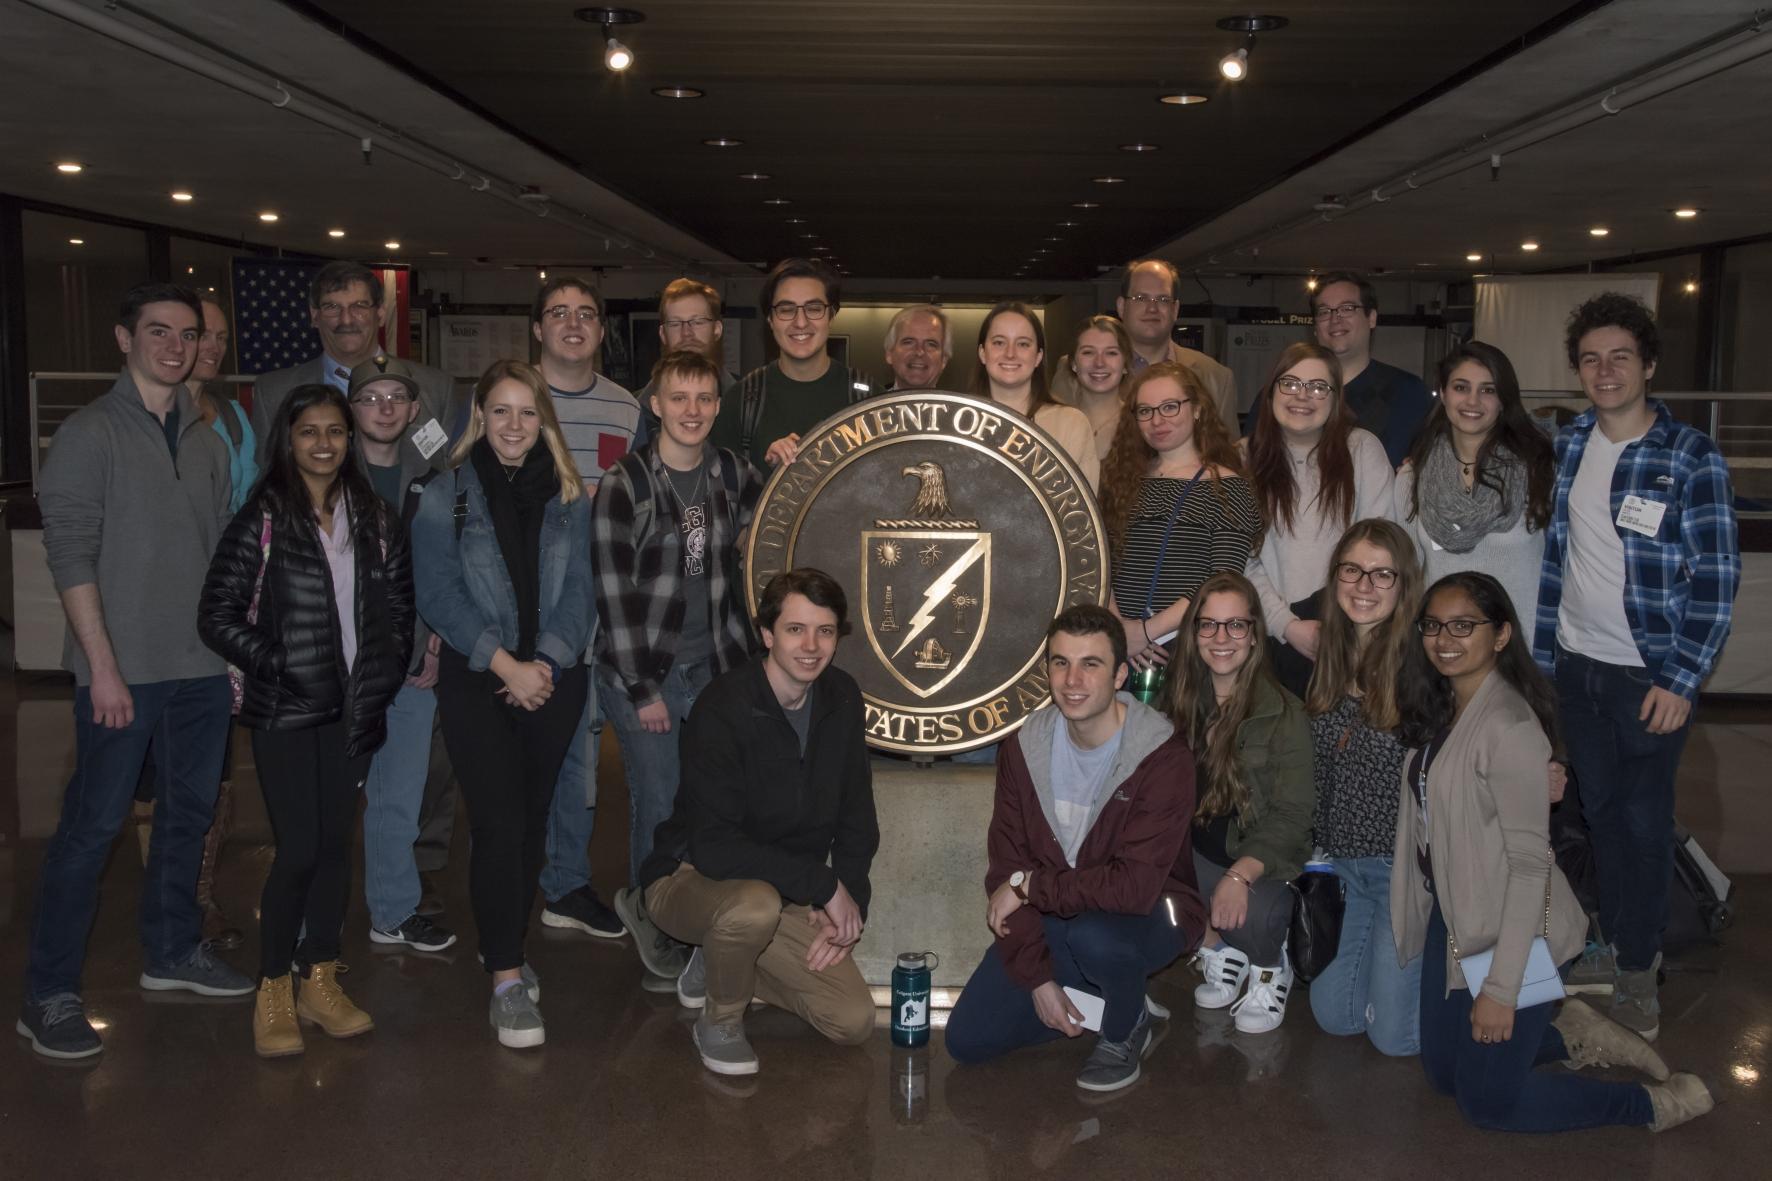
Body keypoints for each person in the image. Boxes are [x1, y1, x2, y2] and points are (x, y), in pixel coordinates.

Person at [20, 282, 249, 1060]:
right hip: (120, 675)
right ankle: (47, 993)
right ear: (124, 339)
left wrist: (233, 656)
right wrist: (104, 669)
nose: (175, 345)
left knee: (188, 818)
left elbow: (222, 562)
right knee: (91, 832)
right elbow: (71, 555)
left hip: (200, 672)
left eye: (187, 334)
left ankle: (172, 949)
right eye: (158, 331)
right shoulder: (89, 435)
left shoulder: (208, 441)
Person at [1395, 572, 1712, 1133]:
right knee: (1444, 1076)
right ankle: (1571, 1031)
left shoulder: (1510, 726)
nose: (1445, 638)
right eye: (1434, 625)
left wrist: (1501, 990)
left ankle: (1654, 1105)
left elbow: (1526, 869)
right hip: (1461, 913)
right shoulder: (1444, 704)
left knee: (1488, 1103)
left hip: (1516, 932)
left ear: (1500, 636)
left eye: (1464, 625)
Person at [1534, 293, 1740, 1038]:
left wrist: (1681, 679)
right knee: (1596, 815)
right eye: (1591, 358)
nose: (1605, 370)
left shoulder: (1690, 456)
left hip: (1647, 677)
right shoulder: (1570, 443)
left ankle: (1638, 972)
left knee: (1642, 822)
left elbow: (1716, 580)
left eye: (1621, 356)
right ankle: (1617, 943)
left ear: (1649, 364)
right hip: (1576, 668)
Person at [199, 383, 414, 1057]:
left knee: (333, 847)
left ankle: (319, 974)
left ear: (350, 441)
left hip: (353, 713)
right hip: (287, 711)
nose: (324, 443)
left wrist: (383, 672)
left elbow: (400, 610)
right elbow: (216, 615)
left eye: (335, 431)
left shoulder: (376, 516)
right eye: (309, 432)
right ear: (287, 442)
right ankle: (272, 985)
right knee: (297, 849)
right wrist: (280, 661)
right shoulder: (263, 516)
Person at [945, 604, 1205, 1092]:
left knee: (1096, 939)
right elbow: (1008, 866)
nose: (1072, 679)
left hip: (1152, 912)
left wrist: (1030, 887)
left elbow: (1130, 888)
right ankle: (1117, 998)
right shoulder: (1024, 747)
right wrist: (1038, 979)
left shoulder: (1162, 757)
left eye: (1091, 663)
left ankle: (1122, 1029)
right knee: (968, 1040)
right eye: (1060, 662)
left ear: (1121, 673)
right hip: (1058, 912)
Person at [411, 360, 594, 1049]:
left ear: (543, 419)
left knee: (531, 822)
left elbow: (583, 590)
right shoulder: (447, 493)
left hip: (554, 679)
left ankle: (504, 944)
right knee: (497, 823)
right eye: (501, 411)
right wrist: (506, 664)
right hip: (478, 679)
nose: (514, 425)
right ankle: (507, 980)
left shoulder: (573, 498)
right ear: (478, 417)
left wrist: (544, 661)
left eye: (527, 412)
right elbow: (438, 592)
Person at [635, 569, 879, 1077]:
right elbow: (715, 847)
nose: (811, 646)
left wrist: (848, 896)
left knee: (852, 1020)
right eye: (795, 629)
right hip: (689, 876)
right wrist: (822, 883)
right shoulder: (723, 708)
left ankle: (723, 955)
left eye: (826, 631)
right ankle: (719, 1022)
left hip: (779, 891)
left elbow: (857, 814)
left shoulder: (843, 698)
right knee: (752, 905)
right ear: (767, 635)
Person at [594, 350, 765, 982]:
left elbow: (773, 523)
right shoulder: (625, 484)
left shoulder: (731, 474)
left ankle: (692, 920)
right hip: (645, 674)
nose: (691, 411)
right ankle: (652, 917)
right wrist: (644, 692)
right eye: (679, 398)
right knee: (660, 802)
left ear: (717, 408)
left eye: (704, 399)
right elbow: (611, 596)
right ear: (655, 405)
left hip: (716, 669)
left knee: (713, 803)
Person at [531, 275, 638, 942]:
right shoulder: (510, 399)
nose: (572, 324)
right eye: (558, 313)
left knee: (579, 758)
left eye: (586, 314)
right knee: (519, 760)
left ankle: (565, 883)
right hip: (526, 613)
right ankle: (511, 878)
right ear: (538, 329)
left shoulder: (627, 409)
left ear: (601, 331)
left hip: (604, 614)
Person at [1168, 573, 1313, 1033]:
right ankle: (1218, 950)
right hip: (1196, 854)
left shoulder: (1284, 712)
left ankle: (1271, 967)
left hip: (1255, 860)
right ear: (1193, 636)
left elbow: (1294, 815)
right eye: (1208, 625)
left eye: (1236, 625)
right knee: (1144, 888)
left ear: (1254, 636)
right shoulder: (1180, 701)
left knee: (1261, 916)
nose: (1221, 638)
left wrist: (1239, 874)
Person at [348, 355, 457, 952]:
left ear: (415, 410)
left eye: (396, 398)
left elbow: (447, 568)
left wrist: (437, 638)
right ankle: (310, 918)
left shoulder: (437, 481)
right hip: (335, 667)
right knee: (323, 801)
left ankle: (393, 910)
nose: (385, 408)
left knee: (400, 795)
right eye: (371, 397)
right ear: (352, 409)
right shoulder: (327, 476)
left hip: (415, 661)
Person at [1305, 518, 1424, 1056]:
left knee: (1395, 1040)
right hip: (1348, 871)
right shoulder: (1327, 658)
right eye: (1352, 570)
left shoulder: (1421, 668)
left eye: (1382, 575)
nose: (1364, 586)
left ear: (1404, 587)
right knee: (1337, 1016)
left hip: (1404, 874)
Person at [1243, 340, 1396, 698]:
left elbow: (1378, 548)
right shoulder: (1242, 458)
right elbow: (1240, 559)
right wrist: (1288, 626)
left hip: (1346, 635)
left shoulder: (1362, 450)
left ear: (1335, 398)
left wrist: (1344, 629)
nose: (1302, 396)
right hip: (1264, 636)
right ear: (1271, 391)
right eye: (1291, 383)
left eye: (1318, 387)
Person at [1100, 362, 1260, 673]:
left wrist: (1146, 632)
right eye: (1145, 411)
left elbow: (1220, 581)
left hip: (1186, 647)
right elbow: (1098, 561)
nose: (1157, 420)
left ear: (1197, 409)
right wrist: (1120, 628)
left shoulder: (1229, 487)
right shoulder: (1118, 481)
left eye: (1170, 407)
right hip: (1118, 643)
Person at [1396, 341, 1554, 624]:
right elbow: (1408, 576)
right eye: (1461, 387)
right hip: (1444, 646)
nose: (1472, 401)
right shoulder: (1413, 478)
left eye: (1488, 390)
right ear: (1443, 394)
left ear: (1504, 399)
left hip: (1521, 649)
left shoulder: (1537, 470)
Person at [251, 261, 458, 465]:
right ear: (314, 316)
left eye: (359, 306)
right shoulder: (274, 393)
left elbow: (450, 474)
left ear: (380, 314)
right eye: (332, 307)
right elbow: (266, 478)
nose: (347, 320)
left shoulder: (435, 388)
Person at [709, 258, 875, 469]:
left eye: (814, 308)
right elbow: (722, 492)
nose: (800, 322)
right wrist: (762, 470)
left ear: (831, 316)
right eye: (786, 310)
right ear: (770, 320)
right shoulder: (740, 401)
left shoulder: (868, 398)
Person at [1052, 259, 1237, 438]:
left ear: (1175, 309)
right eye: (1141, 298)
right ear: (1121, 306)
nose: (1152, 308)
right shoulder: (1076, 371)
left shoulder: (1217, 378)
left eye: (1163, 299)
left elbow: (1228, 457)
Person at [970, 301, 1100, 490]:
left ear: (1038, 356)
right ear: (982, 352)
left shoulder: (1071, 425)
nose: (1010, 353)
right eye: (999, 342)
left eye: (1023, 344)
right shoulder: (957, 423)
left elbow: (1081, 513)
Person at [1310, 271, 1434, 467]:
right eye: (1324, 311)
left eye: (1347, 308)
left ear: (1372, 318)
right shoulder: (1290, 395)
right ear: (1315, 327)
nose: (1335, 319)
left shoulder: (1410, 393)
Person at [636, 277, 736, 438]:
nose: (686, 333)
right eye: (675, 324)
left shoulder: (746, 405)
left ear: (717, 329)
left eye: (697, 322)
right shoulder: (634, 413)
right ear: (663, 334)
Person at [1064, 315, 1134, 461]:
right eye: (1088, 352)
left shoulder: (1143, 425)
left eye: (1111, 353)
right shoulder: (1056, 424)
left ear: (1125, 365)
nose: (1099, 363)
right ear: (1073, 363)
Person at [883, 304, 952, 391]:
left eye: (931, 344)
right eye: (908, 342)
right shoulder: (869, 404)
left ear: (944, 359)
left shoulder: (962, 404)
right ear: (889, 354)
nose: (919, 352)